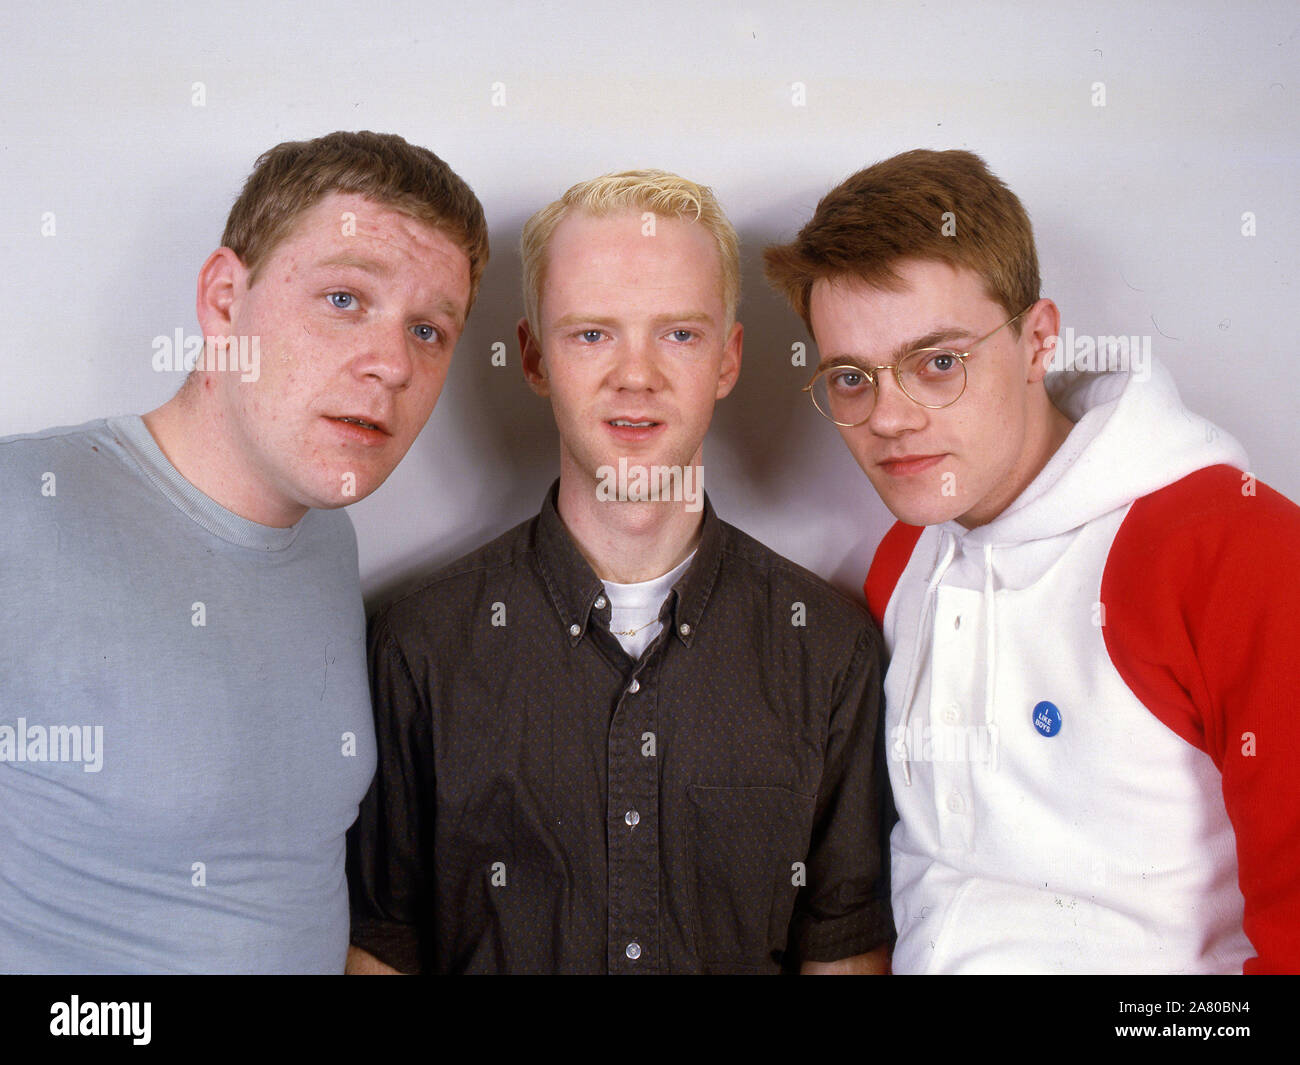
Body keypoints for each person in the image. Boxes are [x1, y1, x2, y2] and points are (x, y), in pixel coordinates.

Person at [763, 148, 1300, 974]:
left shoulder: (1233, 547)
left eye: (939, 362)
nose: (890, 419)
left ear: (1038, 338)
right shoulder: (900, 564)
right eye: (851, 377)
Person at [346, 169, 891, 974]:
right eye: (592, 334)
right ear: (534, 358)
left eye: (680, 334)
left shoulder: (829, 651)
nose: (636, 376)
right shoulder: (417, 647)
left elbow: (843, 948)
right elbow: (381, 947)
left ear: (729, 359)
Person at [0, 130, 488, 973]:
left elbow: (271, 895)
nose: (391, 365)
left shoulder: (326, 539)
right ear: (225, 299)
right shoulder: (23, 506)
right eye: (344, 298)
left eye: (428, 329)